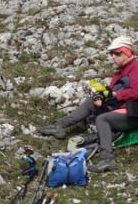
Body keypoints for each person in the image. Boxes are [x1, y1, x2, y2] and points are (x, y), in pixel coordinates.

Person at [39, 36, 138, 172]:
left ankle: (107, 159)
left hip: (133, 112)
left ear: (127, 52)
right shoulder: (121, 71)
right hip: (121, 107)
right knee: (92, 101)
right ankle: (60, 126)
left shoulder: (136, 68)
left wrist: (115, 94)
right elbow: (113, 91)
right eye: (111, 54)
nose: (113, 57)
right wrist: (102, 95)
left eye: (117, 53)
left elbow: (136, 92)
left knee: (102, 119)